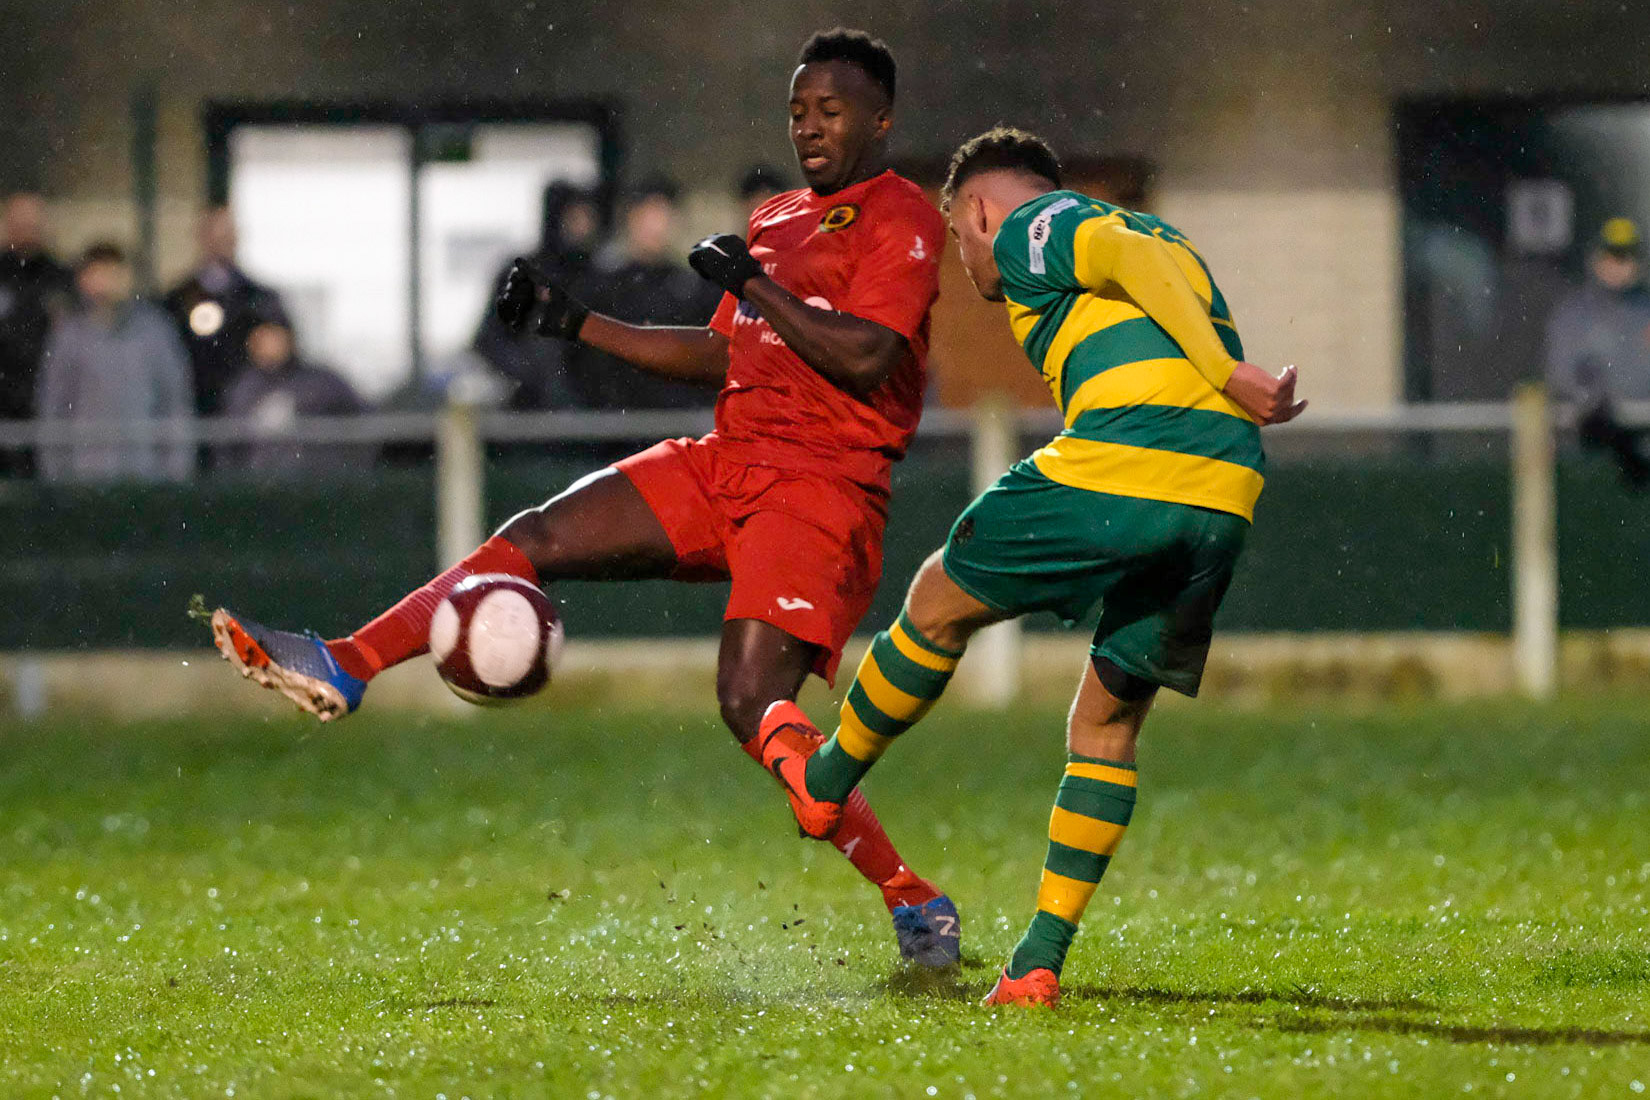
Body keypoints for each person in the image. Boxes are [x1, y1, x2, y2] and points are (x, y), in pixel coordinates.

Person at [207, 29, 962, 968]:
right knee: (535, 535)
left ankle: (910, 895)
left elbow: (866, 356)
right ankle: (346, 662)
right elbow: (721, 353)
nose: (809, 127)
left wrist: (755, 285)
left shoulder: (903, 219)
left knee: (746, 700)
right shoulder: (774, 217)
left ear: (880, 120)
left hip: (822, 486)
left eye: (830, 111)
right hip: (728, 456)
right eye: (798, 112)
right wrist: (575, 323)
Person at [755, 127, 1305, 1006]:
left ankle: (822, 786)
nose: (964, 257)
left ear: (979, 207)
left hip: (1133, 456)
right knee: (1105, 728)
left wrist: (1225, 370)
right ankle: (1036, 965)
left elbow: (1114, 248)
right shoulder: (1160, 237)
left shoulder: (1037, 221)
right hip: (1223, 493)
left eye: (956, 232)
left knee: (937, 598)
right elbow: (1135, 259)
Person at [561, 175, 724, 410]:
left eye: (663, 216)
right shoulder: (603, 286)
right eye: (647, 216)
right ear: (631, 219)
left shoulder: (691, 287)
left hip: (674, 420)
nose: (656, 227)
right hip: (615, 424)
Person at [36, 243, 195, 484]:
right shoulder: (69, 336)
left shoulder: (155, 330)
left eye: (114, 273)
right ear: (83, 279)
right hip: (86, 480)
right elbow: (53, 407)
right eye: (98, 273)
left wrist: (175, 473)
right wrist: (57, 477)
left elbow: (175, 402)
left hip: (146, 478)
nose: (106, 283)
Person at [473, 182, 603, 410]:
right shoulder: (526, 275)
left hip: (587, 412)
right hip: (531, 411)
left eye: (587, 217)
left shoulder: (598, 277)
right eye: (575, 217)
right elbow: (489, 339)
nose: (584, 227)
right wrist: (530, 374)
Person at [1544, 216, 1650, 485]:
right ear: (1596, 258)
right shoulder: (1573, 315)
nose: (1618, 265)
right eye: (1611, 255)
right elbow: (1561, 375)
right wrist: (1593, 401)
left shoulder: (1646, 310)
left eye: (1626, 256)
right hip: (1591, 455)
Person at [164, 205, 285, 416]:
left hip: (246, 413)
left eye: (227, 234)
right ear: (201, 236)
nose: (221, 241)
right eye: (214, 233)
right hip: (193, 411)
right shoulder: (177, 301)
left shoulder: (262, 299)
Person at [221, 303, 367, 474]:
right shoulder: (244, 388)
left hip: (320, 484)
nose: (268, 343)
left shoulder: (321, 382)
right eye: (261, 336)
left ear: (289, 337)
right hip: (262, 488)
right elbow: (227, 445)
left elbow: (365, 424)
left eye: (275, 335)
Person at [0, 193, 75, 474]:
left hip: (51, 402)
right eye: (19, 222)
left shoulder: (62, 278)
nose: (26, 230)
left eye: (32, 222)